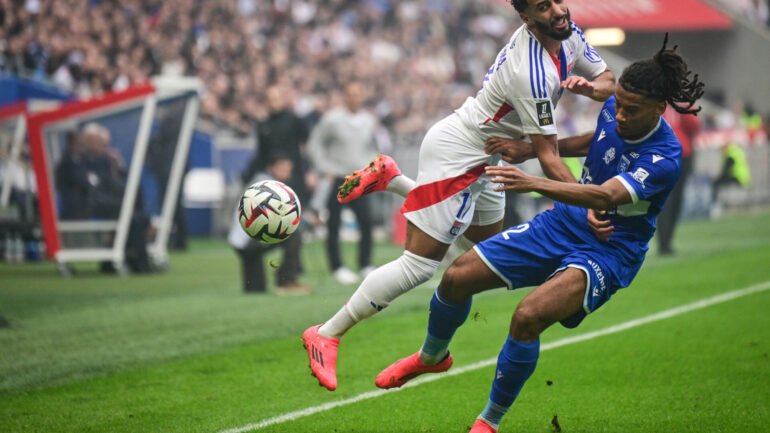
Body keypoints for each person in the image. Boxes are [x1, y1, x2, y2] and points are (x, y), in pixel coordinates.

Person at [375, 35, 704, 433]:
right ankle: (432, 357)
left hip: (609, 249)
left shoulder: (664, 158)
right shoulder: (617, 107)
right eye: (618, 104)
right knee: (457, 277)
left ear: (659, 108)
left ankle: (488, 423)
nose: (619, 114)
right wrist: (534, 149)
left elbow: (606, 194)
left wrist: (532, 181)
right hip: (565, 222)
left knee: (527, 317)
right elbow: (598, 138)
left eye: (632, 110)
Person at [302, 0, 615, 391]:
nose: (557, 9)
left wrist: (590, 88)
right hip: (460, 155)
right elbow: (549, 159)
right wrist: (586, 204)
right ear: (526, 17)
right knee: (420, 265)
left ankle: (395, 180)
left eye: (556, 0)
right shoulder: (530, 71)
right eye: (543, 6)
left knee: (477, 261)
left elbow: (609, 81)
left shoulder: (566, 31)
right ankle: (327, 333)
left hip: (490, 155)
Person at [307, 81, 380, 285]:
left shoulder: (368, 121)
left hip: (360, 178)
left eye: (358, 94)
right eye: (351, 94)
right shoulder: (332, 119)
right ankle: (336, 266)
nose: (354, 98)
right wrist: (324, 167)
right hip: (338, 177)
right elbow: (315, 144)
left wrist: (373, 168)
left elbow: (371, 147)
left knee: (366, 221)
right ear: (345, 96)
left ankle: (365, 263)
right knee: (334, 224)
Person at [229, 155, 311, 295]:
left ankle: (287, 278)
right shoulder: (268, 185)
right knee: (293, 233)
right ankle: (286, 280)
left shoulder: (262, 181)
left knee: (255, 290)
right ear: (271, 167)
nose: (286, 173)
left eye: (288, 170)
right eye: (282, 169)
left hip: (244, 238)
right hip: (249, 239)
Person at [656, 104, 700, 255]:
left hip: (667, 153)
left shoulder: (659, 99)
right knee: (673, 200)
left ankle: (665, 242)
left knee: (670, 199)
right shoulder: (677, 101)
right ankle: (665, 243)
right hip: (679, 152)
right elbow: (693, 125)